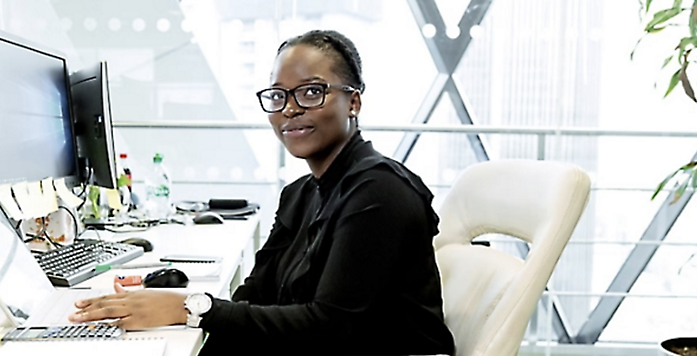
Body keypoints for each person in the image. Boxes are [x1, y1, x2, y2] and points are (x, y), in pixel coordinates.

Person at [69, 29, 456, 356]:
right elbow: (256, 292)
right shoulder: (302, 193)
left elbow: (331, 326)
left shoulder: (379, 192)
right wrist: (168, 302)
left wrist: (188, 308)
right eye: (277, 96)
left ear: (353, 101)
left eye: (311, 92)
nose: (289, 110)